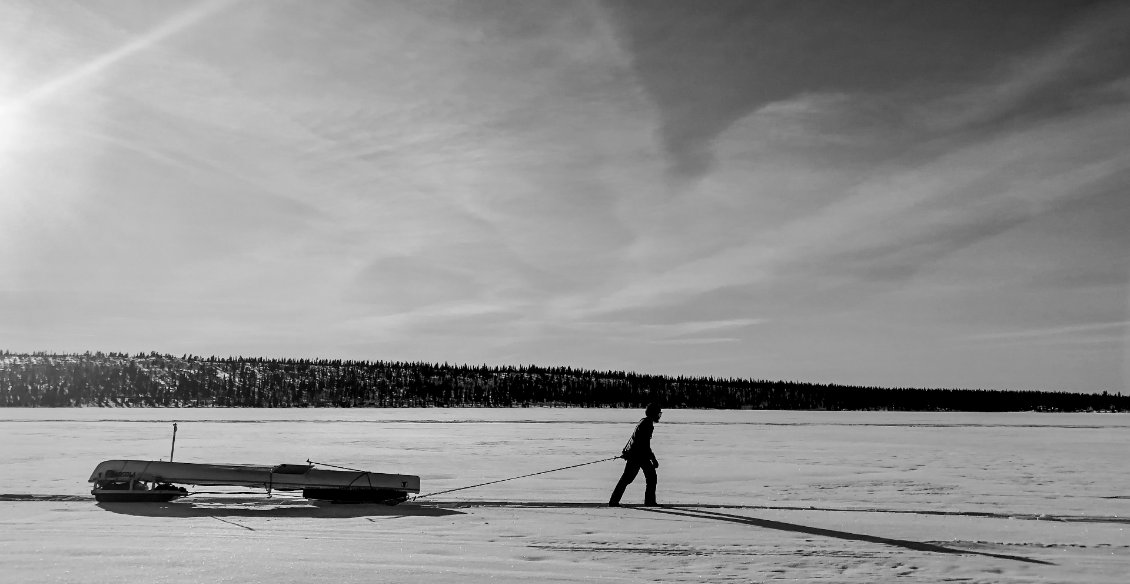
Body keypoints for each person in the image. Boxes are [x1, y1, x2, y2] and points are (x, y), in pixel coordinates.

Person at [608, 403, 662, 507]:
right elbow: (645, 444)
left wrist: (626, 451)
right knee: (647, 478)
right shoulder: (647, 424)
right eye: (658, 413)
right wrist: (653, 459)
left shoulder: (643, 421)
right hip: (639, 456)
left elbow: (634, 439)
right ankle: (649, 502)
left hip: (637, 455)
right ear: (653, 413)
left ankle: (614, 501)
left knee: (629, 479)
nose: (659, 416)